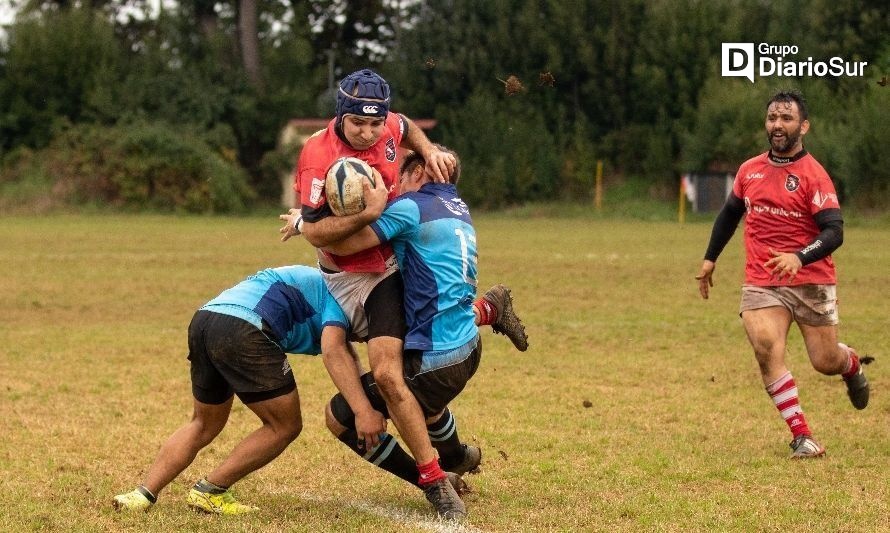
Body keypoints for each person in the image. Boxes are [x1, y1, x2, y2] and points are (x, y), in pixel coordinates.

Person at [279, 68, 526, 519]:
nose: (370, 132)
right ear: (341, 114)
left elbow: (406, 126)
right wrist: (322, 219)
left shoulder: (394, 140)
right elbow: (318, 236)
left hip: (383, 274)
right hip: (339, 275)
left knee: (392, 378)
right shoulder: (317, 155)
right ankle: (452, 453)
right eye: (359, 124)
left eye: (376, 124)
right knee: (341, 350)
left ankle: (434, 480)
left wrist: (427, 150)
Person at [321, 146, 510, 522]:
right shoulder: (456, 208)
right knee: (419, 397)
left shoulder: (411, 208)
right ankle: (456, 455)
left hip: (438, 361)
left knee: (346, 412)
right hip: (468, 349)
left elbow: (347, 244)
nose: (393, 188)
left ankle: (434, 482)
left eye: (399, 179)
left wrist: (305, 224)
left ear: (420, 172)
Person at [695, 89, 870, 459]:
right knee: (764, 347)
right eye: (772, 117)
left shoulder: (814, 175)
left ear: (803, 126)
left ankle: (849, 363)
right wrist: (710, 258)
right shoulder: (749, 170)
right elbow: (729, 214)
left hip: (810, 278)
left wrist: (798, 257)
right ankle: (802, 436)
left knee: (824, 362)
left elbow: (834, 231)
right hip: (762, 278)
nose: (777, 124)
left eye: (786, 118)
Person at [112, 265, 362, 514]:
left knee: (202, 423)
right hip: (245, 328)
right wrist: (363, 411)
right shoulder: (340, 298)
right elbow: (335, 351)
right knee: (284, 425)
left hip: (205, 319)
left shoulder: (324, 282)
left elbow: (348, 353)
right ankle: (211, 491)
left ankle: (142, 495)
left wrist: (363, 398)